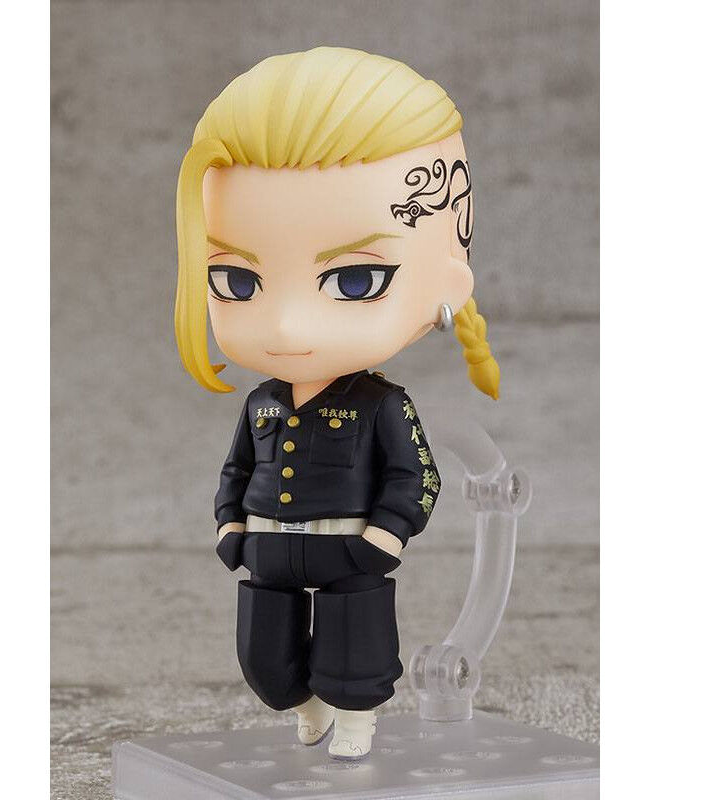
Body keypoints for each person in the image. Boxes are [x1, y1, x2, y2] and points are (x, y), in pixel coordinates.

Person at [174, 46, 499, 760]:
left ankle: (354, 718)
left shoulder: (381, 403)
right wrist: (230, 525)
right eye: (236, 282)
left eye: (355, 282)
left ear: (447, 282)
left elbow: (417, 473)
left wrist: (386, 534)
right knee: (265, 657)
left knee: (355, 650)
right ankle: (302, 704)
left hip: (350, 547)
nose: (289, 327)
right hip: (267, 546)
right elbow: (235, 470)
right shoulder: (261, 403)